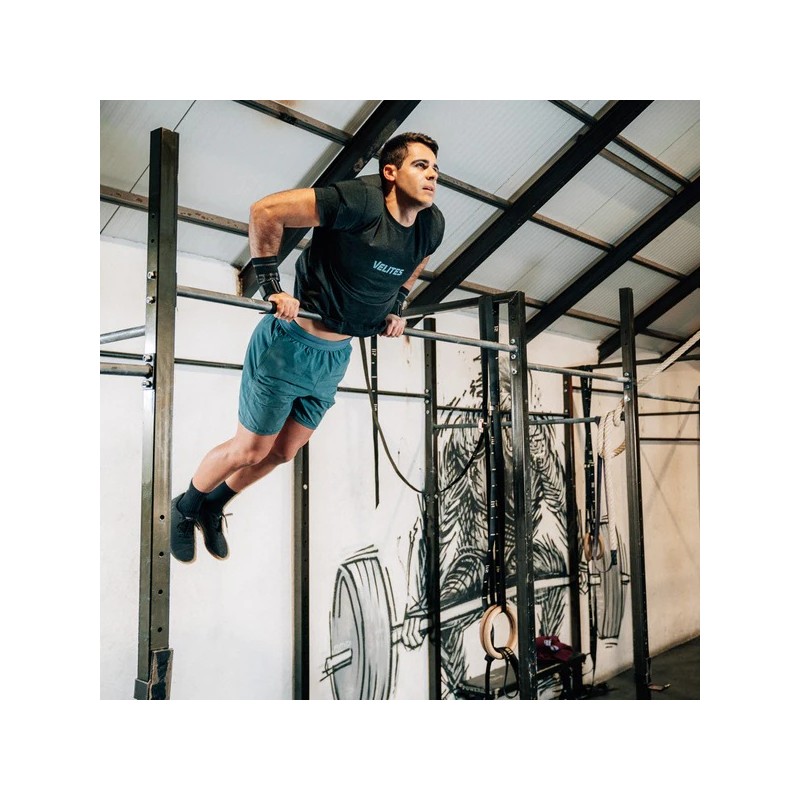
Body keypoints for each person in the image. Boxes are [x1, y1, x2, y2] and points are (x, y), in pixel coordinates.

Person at [170, 132, 445, 562]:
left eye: (435, 170)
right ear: (390, 172)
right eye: (420, 165)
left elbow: (420, 258)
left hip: (335, 357)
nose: (431, 176)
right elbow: (266, 211)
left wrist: (397, 304)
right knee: (251, 450)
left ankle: (214, 504)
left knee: (283, 452)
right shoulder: (360, 201)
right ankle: (185, 508)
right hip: (289, 346)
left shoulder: (431, 224)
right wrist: (272, 286)